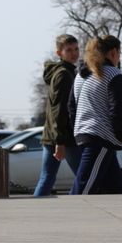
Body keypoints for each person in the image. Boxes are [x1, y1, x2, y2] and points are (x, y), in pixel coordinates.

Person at [68, 35, 122, 195]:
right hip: (100, 139)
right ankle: (68, 219)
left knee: (116, 188)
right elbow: (118, 111)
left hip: (84, 134)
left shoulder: (81, 76)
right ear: (114, 52)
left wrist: (79, 129)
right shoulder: (113, 75)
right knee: (83, 190)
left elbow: (71, 107)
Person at [33, 34, 81, 197]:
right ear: (59, 53)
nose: (74, 53)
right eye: (69, 50)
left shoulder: (64, 72)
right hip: (64, 137)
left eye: (76, 49)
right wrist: (60, 142)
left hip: (53, 136)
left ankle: (35, 209)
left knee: (47, 177)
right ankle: (82, 207)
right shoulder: (64, 75)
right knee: (84, 176)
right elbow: (59, 110)